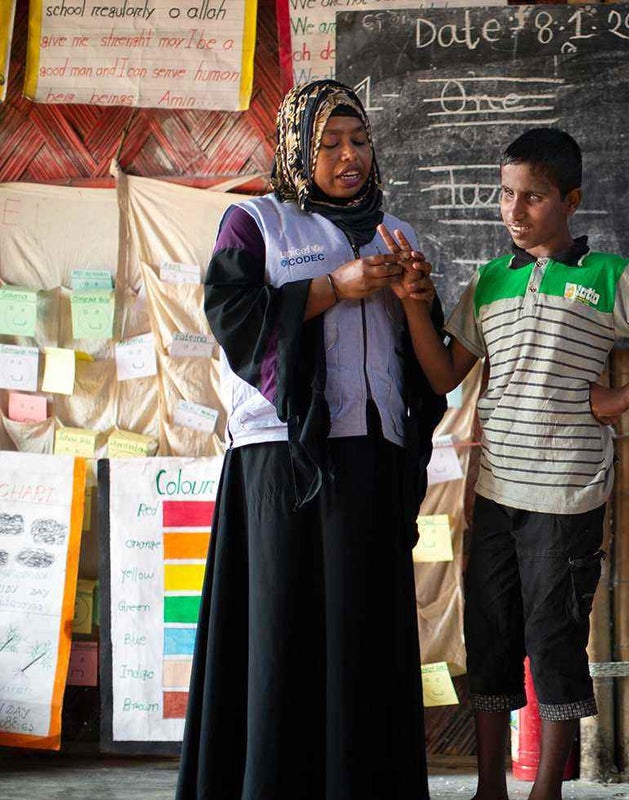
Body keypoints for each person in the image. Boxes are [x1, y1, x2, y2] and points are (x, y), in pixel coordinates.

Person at [387, 127, 629, 800]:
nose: (515, 210)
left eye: (533, 197)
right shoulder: (487, 281)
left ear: (570, 200)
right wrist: (413, 307)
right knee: (490, 636)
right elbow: (443, 374)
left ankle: (546, 792)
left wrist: (624, 396)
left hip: (566, 496)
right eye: (506, 194)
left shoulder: (607, 277)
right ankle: (489, 786)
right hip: (496, 491)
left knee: (556, 641)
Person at [175, 79, 444, 800]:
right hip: (280, 462)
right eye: (328, 143)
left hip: (370, 460)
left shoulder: (401, 233)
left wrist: (414, 299)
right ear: (297, 148)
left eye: (358, 141)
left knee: (361, 642)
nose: (348, 157)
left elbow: (429, 367)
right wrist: (334, 286)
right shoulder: (255, 223)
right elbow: (234, 321)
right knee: (281, 635)